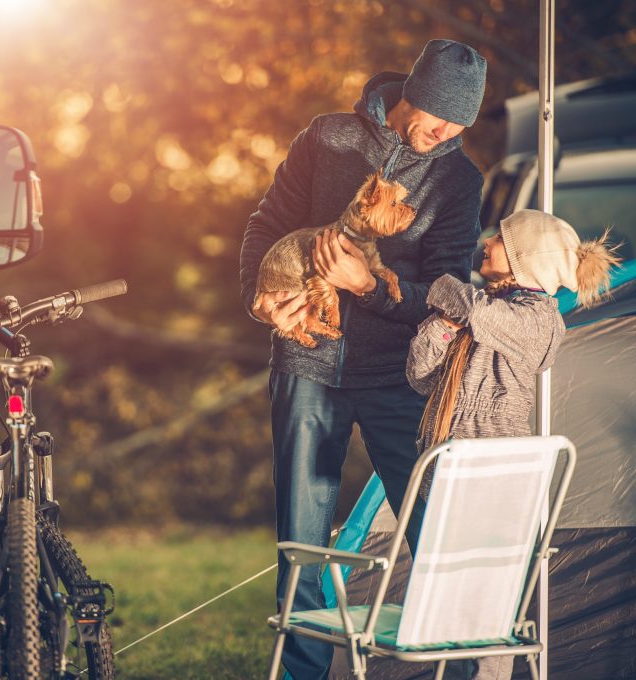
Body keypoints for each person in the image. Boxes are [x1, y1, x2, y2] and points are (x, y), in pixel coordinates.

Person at [239, 39, 487, 679]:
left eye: (461, 125)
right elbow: (267, 226)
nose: (447, 133)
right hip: (307, 369)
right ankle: (302, 673)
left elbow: (449, 297)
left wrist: (366, 287)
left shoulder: (458, 179)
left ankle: (452, 670)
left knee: (433, 529)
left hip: (400, 380)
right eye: (439, 118)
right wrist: (261, 298)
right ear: (415, 96)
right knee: (302, 547)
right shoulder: (326, 140)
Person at [406, 209, 619, 680]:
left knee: (488, 598)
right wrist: (442, 327)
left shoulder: (537, 320)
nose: (486, 242)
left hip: (492, 469)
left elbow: (478, 312)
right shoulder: (482, 310)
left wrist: (443, 288)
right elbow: (419, 374)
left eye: (500, 239)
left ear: (526, 258)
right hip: (447, 468)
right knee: (454, 600)